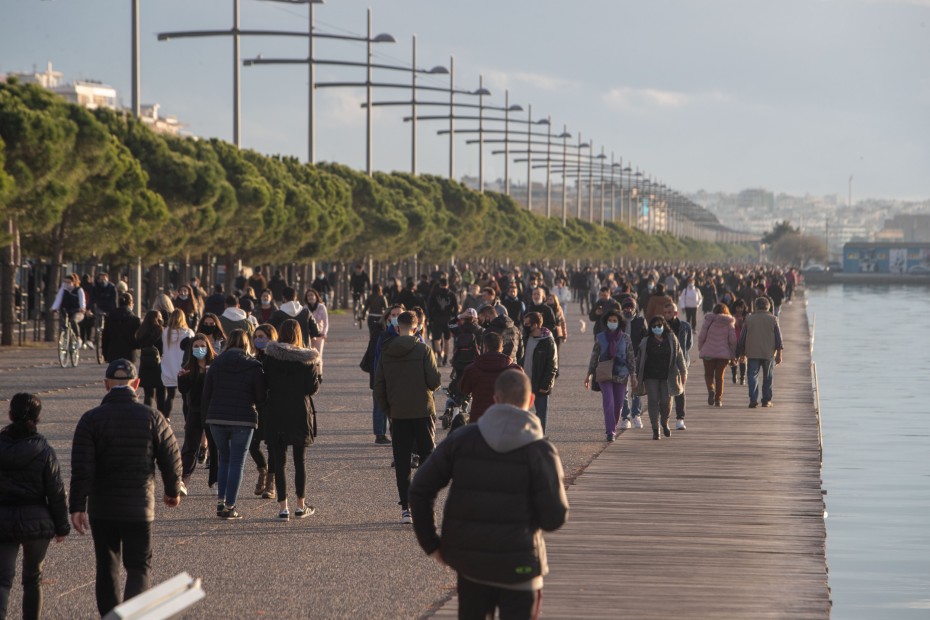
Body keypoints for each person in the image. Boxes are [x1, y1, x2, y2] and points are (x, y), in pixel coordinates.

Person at [408, 369, 569, 620]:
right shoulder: (540, 451)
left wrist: (432, 544)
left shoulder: (461, 439)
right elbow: (554, 518)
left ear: (495, 399)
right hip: (521, 566)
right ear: (531, 401)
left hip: (471, 565)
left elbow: (419, 489)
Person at [69, 359, 182, 617]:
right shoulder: (152, 416)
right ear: (137, 385)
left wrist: (77, 506)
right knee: (139, 566)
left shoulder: (90, 420)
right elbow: (171, 455)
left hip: (102, 506)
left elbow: (81, 467)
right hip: (139, 505)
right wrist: (172, 490)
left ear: (106, 385)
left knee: (107, 565)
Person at [0, 394, 70, 620]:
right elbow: (56, 492)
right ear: (38, 418)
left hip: (3, 519)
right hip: (37, 519)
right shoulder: (44, 450)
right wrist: (62, 526)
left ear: (10, 415)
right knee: (33, 578)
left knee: (2, 580)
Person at [374, 311, 441, 524]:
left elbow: (379, 386)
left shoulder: (386, 351)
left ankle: (406, 508)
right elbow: (434, 381)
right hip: (422, 410)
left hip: (398, 413)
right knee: (427, 459)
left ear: (396, 327)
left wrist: (388, 410)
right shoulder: (423, 349)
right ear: (416, 328)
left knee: (402, 461)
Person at [203, 329, 266, 520]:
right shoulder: (254, 366)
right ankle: (230, 506)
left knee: (224, 459)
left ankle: (221, 501)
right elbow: (260, 397)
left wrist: (206, 419)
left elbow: (207, 393)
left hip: (216, 418)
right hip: (243, 418)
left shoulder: (216, 363)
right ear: (247, 343)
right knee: (237, 462)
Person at [262, 320, 321, 521]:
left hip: (276, 411)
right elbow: (311, 389)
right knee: (300, 461)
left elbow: (265, 382)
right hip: (298, 412)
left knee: (279, 462)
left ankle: (282, 508)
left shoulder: (270, 357)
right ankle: (300, 505)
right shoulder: (307, 359)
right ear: (298, 335)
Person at [584, 309, 637, 441]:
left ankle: (613, 424)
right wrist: (589, 374)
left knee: (618, 404)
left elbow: (630, 358)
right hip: (604, 373)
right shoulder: (600, 337)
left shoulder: (625, 338)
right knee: (609, 402)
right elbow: (594, 356)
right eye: (610, 320)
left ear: (619, 322)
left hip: (621, 374)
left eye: (615, 321)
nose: (612, 323)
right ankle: (610, 431)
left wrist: (633, 375)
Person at [634, 316, 687, 440]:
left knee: (666, 401)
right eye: (654, 326)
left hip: (667, 375)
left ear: (664, 326)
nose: (657, 328)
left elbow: (679, 355)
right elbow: (639, 358)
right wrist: (634, 375)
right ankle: (655, 428)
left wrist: (684, 371)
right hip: (650, 375)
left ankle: (664, 422)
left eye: (659, 326)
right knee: (653, 401)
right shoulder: (646, 341)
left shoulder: (671, 338)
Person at [177, 334, 218, 496]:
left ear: (208, 347)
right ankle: (183, 480)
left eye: (202, 346)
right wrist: (181, 378)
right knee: (190, 446)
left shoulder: (215, 365)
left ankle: (215, 480)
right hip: (194, 410)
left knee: (215, 447)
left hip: (212, 410)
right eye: (196, 346)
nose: (199, 349)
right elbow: (183, 390)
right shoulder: (188, 366)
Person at [458, 331, 523, 424]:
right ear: (501, 348)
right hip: (506, 420)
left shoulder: (472, 369)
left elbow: (463, 389)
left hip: (479, 418)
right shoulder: (515, 369)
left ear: (485, 347)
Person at [737, 297, 784, 408]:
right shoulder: (773, 319)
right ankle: (766, 400)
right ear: (768, 307)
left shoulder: (748, 319)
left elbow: (742, 338)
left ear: (756, 306)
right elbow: (779, 339)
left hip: (752, 352)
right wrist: (779, 354)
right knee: (768, 377)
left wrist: (741, 353)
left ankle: (753, 399)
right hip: (768, 353)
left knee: (752, 376)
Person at [250, 323, 278, 499]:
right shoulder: (252, 358)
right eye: (257, 337)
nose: (259, 340)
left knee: (272, 446)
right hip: (255, 407)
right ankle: (263, 470)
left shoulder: (276, 358)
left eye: (263, 337)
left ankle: (270, 482)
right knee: (252, 444)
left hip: (273, 407)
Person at [520, 312, 558, 434]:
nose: (524, 326)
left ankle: (540, 439)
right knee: (521, 413)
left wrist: (545, 385)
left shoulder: (548, 341)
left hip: (540, 384)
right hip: (524, 383)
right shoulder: (525, 338)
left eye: (527, 324)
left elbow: (552, 365)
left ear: (535, 325)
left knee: (541, 414)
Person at [698, 303, 738, 408]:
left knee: (708, 375)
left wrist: (701, 349)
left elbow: (702, 336)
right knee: (719, 377)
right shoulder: (729, 322)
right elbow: (733, 340)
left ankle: (711, 390)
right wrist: (733, 354)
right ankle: (718, 400)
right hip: (723, 354)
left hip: (708, 352)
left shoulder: (709, 319)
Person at [663, 302, 693, 429]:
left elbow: (689, 344)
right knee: (664, 393)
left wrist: (682, 358)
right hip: (664, 363)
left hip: (680, 363)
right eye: (665, 313)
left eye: (669, 312)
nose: (666, 315)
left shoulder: (684, 326)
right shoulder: (660, 326)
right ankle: (664, 419)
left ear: (676, 313)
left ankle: (680, 419)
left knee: (680, 392)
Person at [160, 309, 194, 420]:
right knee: (185, 399)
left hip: (168, 368)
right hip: (183, 369)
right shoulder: (188, 332)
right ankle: (187, 421)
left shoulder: (165, 332)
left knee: (170, 396)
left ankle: (166, 419)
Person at [134, 310, 165, 412]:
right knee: (161, 393)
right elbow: (162, 347)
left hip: (145, 364)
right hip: (158, 364)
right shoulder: (160, 330)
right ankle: (162, 415)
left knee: (148, 394)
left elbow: (138, 344)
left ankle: (146, 414)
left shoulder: (141, 331)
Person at [427, 277, 458, 366]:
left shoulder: (434, 293)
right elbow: (455, 308)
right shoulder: (452, 294)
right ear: (447, 284)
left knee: (436, 339)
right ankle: (446, 358)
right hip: (448, 319)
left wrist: (431, 317)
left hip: (436, 319)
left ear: (439, 284)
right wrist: (453, 316)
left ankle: (439, 355)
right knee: (447, 339)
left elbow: (429, 306)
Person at [102, 292, 141, 364]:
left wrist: (105, 355)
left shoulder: (110, 318)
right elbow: (138, 341)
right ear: (131, 304)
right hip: (129, 356)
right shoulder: (135, 320)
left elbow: (105, 338)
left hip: (113, 355)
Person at [50, 272, 86, 344]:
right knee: (64, 323)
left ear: (73, 282)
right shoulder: (63, 290)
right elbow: (58, 299)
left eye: (69, 282)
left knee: (73, 321)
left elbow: (82, 300)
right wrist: (54, 308)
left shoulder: (79, 290)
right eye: (65, 282)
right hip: (66, 310)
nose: (66, 284)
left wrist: (82, 308)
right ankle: (65, 338)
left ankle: (78, 337)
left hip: (77, 311)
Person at [303, 288, 329, 371]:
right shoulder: (305, 308)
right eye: (308, 295)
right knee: (309, 355)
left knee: (318, 355)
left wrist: (324, 333)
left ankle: (319, 373)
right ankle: (311, 373)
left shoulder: (321, 307)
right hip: (309, 335)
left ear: (316, 296)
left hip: (319, 335)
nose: (310, 297)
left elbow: (326, 322)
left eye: (312, 295)